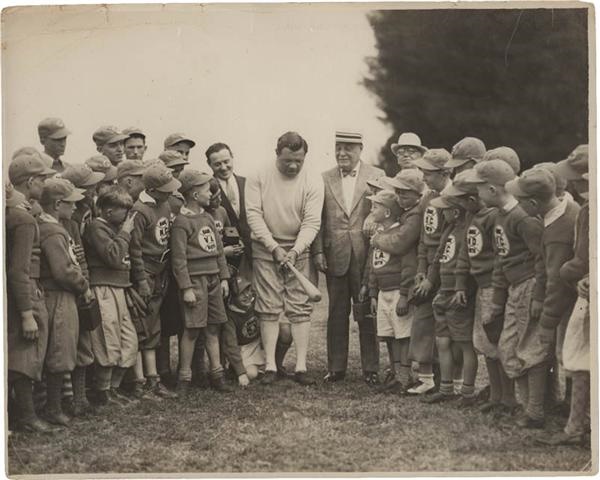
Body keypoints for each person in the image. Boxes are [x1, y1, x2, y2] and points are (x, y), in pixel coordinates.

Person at [463, 160, 546, 428]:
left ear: (492, 189)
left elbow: (541, 260)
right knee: (507, 347)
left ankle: (534, 410)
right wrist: (497, 302)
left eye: (479, 189)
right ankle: (520, 404)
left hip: (529, 286)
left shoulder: (523, 218)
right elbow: (501, 260)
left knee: (530, 348)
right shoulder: (500, 215)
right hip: (513, 289)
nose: (476, 194)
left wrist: (538, 295)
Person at [246, 131, 324, 386]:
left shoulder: (313, 178)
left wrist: (296, 249)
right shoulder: (258, 173)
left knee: (299, 307)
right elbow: (253, 214)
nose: (293, 166)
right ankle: (270, 366)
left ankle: (300, 367)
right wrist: (272, 246)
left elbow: (312, 221)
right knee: (268, 307)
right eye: (287, 160)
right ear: (276, 154)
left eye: (298, 161)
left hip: (298, 248)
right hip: (264, 246)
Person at [505, 167, 580, 427]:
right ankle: (566, 405)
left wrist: (547, 321)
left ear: (533, 203)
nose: (517, 204)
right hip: (562, 299)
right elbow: (543, 267)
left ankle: (542, 413)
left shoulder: (560, 229)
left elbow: (557, 281)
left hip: (569, 303)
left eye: (521, 200)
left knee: (565, 354)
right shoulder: (559, 212)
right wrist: (538, 295)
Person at [313, 131, 382, 385]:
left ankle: (371, 368)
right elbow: (318, 219)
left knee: (366, 312)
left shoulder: (378, 176)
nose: (342, 153)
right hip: (335, 255)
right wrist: (318, 251)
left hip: (366, 255)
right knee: (336, 312)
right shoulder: (323, 178)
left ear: (360, 149)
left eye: (348, 148)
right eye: (338, 147)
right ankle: (336, 367)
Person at [451, 171, 517, 414]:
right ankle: (497, 395)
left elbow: (500, 255)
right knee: (485, 342)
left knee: (496, 340)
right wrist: (460, 283)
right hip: (481, 287)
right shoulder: (473, 216)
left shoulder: (494, 217)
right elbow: (466, 254)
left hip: (494, 286)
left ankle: (507, 398)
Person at [537, 172, 590, 446]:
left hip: (589, 295)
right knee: (582, 360)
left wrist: (568, 271)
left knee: (580, 357)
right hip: (587, 290)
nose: (582, 185)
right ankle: (578, 424)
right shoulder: (586, 210)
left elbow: (580, 259)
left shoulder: (589, 211)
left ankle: (578, 426)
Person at [171, 170, 232, 395]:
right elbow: (178, 260)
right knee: (192, 330)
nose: (211, 195)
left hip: (214, 279)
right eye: (207, 190)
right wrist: (186, 288)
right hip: (195, 283)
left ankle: (217, 374)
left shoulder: (207, 217)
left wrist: (224, 278)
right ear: (195, 194)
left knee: (213, 328)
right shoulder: (181, 222)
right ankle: (184, 378)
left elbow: (218, 251)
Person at [7, 156, 56, 432]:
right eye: (42, 179)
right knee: (25, 355)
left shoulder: (18, 212)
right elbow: (18, 271)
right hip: (25, 291)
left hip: (21, 291)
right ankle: (26, 416)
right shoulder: (23, 219)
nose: (45, 184)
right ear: (29, 182)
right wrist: (27, 313)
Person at [38, 178, 92, 426]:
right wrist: (82, 285)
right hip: (59, 294)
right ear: (58, 204)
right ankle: (53, 407)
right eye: (70, 203)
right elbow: (62, 271)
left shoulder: (56, 227)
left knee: (64, 348)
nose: (74, 208)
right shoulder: (52, 231)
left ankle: (56, 404)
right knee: (60, 349)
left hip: (63, 294)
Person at [421, 183, 479, 407]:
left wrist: (459, 288)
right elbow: (437, 259)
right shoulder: (448, 229)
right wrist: (430, 279)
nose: (441, 213)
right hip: (443, 293)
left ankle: (468, 392)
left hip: (457, 295)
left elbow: (466, 264)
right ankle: (446, 388)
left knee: (465, 345)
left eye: (444, 209)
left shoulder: (468, 230)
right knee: (442, 342)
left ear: (455, 212)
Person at [83, 187, 140, 407]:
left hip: (119, 288)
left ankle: (114, 388)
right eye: (122, 210)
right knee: (108, 339)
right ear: (107, 211)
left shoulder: (115, 226)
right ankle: (102, 391)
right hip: (103, 288)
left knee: (129, 340)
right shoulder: (97, 227)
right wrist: (125, 232)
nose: (126, 215)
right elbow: (113, 258)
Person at [129, 162, 181, 399]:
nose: (170, 192)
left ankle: (153, 379)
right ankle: (144, 382)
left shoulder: (165, 204)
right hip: (147, 274)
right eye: (165, 189)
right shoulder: (140, 211)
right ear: (151, 190)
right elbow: (135, 250)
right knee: (145, 327)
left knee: (155, 325)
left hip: (162, 273)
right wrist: (141, 280)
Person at [408, 148, 453, 395]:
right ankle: (426, 378)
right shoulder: (427, 198)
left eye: (429, 172)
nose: (423, 177)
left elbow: (447, 241)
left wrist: (433, 276)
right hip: (429, 269)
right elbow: (425, 239)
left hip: (446, 268)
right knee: (423, 322)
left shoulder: (453, 198)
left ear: (445, 173)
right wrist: (421, 270)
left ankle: (449, 382)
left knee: (447, 328)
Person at [365, 190, 416, 394]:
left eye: (375, 206)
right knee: (389, 335)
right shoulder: (378, 235)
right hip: (383, 292)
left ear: (387, 213)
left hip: (397, 292)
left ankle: (405, 375)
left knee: (403, 335)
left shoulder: (399, 234)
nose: (371, 210)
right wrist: (372, 293)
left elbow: (408, 267)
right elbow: (373, 266)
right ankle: (394, 373)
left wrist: (404, 295)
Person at [205, 142, 252, 273]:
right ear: (209, 165)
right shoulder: (206, 189)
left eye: (226, 161)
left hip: (252, 253)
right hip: (226, 258)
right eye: (217, 164)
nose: (224, 167)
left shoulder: (247, 183)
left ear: (232, 158)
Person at [227, 277, 266, 380]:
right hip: (244, 349)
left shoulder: (255, 303)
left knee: (281, 329)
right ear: (233, 297)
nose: (247, 295)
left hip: (258, 343)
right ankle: (235, 367)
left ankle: (275, 366)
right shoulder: (230, 317)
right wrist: (241, 372)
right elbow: (231, 345)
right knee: (251, 374)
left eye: (248, 290)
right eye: (242, 293)